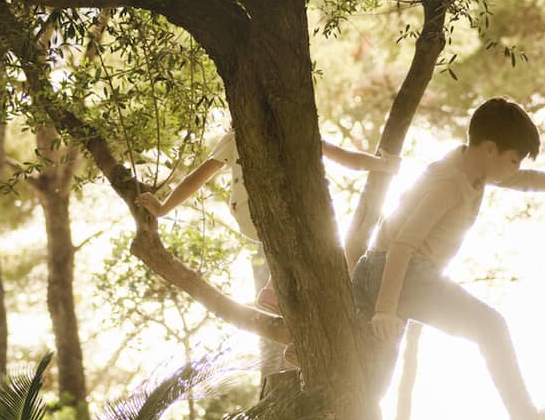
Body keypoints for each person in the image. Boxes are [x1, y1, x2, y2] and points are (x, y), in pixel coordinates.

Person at [351, 98, 545, 420]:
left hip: (382, 274)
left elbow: (527, 181)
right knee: (491, 327)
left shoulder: (474, 169)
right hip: (398, 273)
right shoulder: (450, 181)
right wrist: (385, 309)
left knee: (368, 385)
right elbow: (403, 245)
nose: (515, 169)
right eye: (513, 160)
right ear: (490, 149)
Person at [137, 124, 399, 310]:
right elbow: (198, 176)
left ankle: (276, 292)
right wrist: (162, 208)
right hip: (258, 210)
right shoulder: (242, 136)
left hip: (258, 216)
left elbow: (347, 158)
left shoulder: (287, 129)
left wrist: (383, 165)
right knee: (318, 233)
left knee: (310, 241)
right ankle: (278, 291)